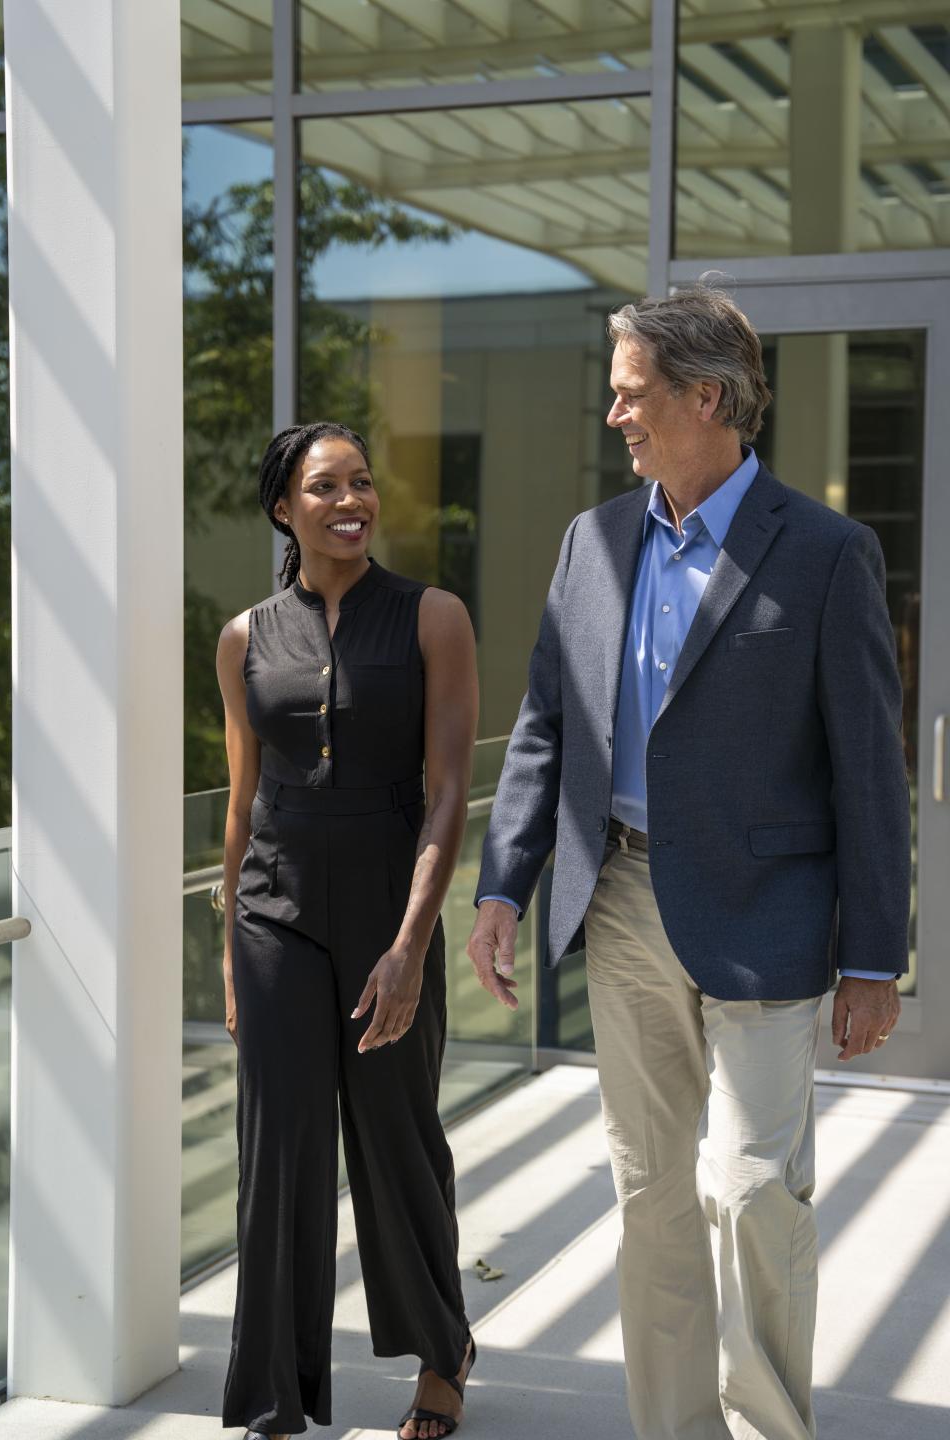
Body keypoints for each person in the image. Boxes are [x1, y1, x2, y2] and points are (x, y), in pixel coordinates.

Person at [467, 288, 910, 1440]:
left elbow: (870, 769)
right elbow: (545, 725)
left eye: (631, 391)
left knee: (753, 1192)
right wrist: (504, 883)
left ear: (704, 397)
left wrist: (875, 957)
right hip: (621, 899)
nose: (614, 412)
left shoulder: (824, 553)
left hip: (769, 912)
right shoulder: (593, 542)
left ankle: (767, 1427)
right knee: (651, 1196)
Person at [217, 421, 478, 1440]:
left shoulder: (432, 618)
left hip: (387, 901)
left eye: (362, 483)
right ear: (286, 508)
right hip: (273, 910)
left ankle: (443, 1354)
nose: (351, 500)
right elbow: (240, 804)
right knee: (278, 1149)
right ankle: (277, 1392)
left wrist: (413, 942)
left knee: (399, 1137)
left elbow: (452, 788)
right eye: (327, 487)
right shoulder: (245, 636)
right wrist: (233, 955)